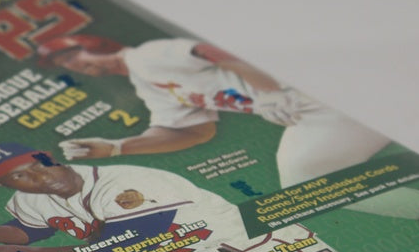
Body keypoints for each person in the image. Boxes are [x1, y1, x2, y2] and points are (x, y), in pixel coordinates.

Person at [0, 143, 329, 252]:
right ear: (2, 185)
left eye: (37, 165)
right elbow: (28, 230)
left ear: (48, 156)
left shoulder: (125, 184)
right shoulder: (33, 199)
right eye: (20, 176)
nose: (39, 177)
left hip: (267, 251)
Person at [37, 35, 390, 188]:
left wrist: (270, 89)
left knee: (305, 178)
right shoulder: (145, 81)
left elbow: (213, 50)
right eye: (66, 64)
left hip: (325, 91)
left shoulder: (148, 55)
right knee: (302, 183)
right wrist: (117, 147)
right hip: (309, 113)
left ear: (95, 43)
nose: (74, 65)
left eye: (71, 55)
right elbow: (194, 132)